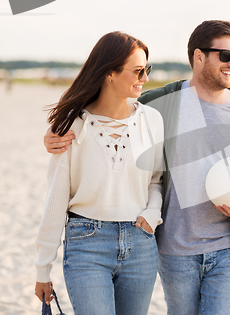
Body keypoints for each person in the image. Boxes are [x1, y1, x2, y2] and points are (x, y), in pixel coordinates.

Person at [44, 20, 230, 315]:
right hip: (174, 247)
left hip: (229, 246)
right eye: (226, 56)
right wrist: (55, 133)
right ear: (198, 56)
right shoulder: (158, 103)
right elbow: (107, 106)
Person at [35, 31, 164, 315]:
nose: (145, 78)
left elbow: (155, 181)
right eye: (138, 71)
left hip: (140, 244)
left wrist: (151, 214)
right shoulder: (72, 125)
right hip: (87, 244)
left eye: (147, 69)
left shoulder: (152, 120)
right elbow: (56, 197)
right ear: (109, 73)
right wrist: (43, 268)